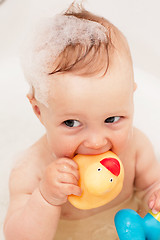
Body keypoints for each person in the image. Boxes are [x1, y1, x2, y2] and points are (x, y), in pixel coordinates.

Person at [4, 1, 160, 239]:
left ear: (131, 99)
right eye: (71, 123)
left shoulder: (136, 148)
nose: (97, 142)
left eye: (112, 118)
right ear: (39, 112)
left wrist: (155, 194)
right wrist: (46, 198)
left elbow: (152, 186)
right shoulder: (32, 171)